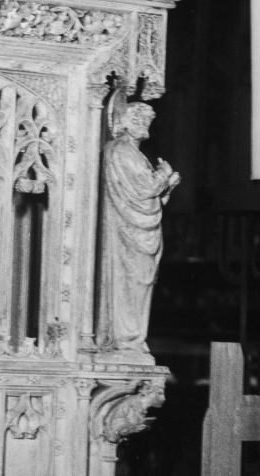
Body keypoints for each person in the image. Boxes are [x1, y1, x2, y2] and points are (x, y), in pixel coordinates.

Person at [101, 93, 179, 354]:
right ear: (126, 121)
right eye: (140, 119)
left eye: (148, 120)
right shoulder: (121, 151)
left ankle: (133, 340)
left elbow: (146, 200)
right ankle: (127, 339)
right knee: (130, 283)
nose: (146, 124)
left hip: (139, 231)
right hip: (127, 234)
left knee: (139, 285)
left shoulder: (134, 153)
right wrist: (163, 175)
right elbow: (144, 190)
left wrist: (166, 189)